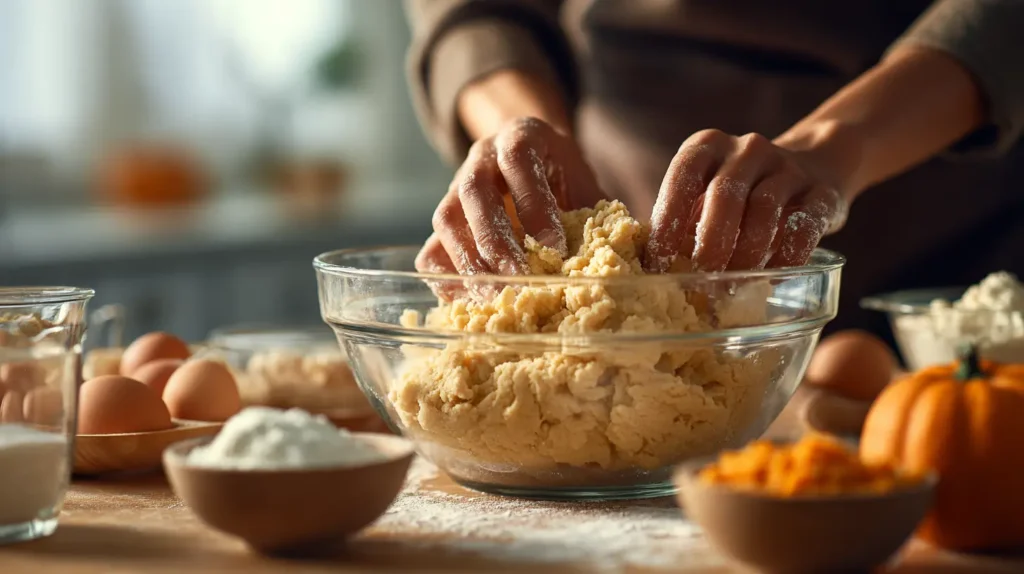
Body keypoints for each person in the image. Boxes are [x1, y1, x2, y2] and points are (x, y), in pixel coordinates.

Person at [401, 0, 1024, 434]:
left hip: (949, 270)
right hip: (630, 207)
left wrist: (838, 145)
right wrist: (524, 134)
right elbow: (475, 10)